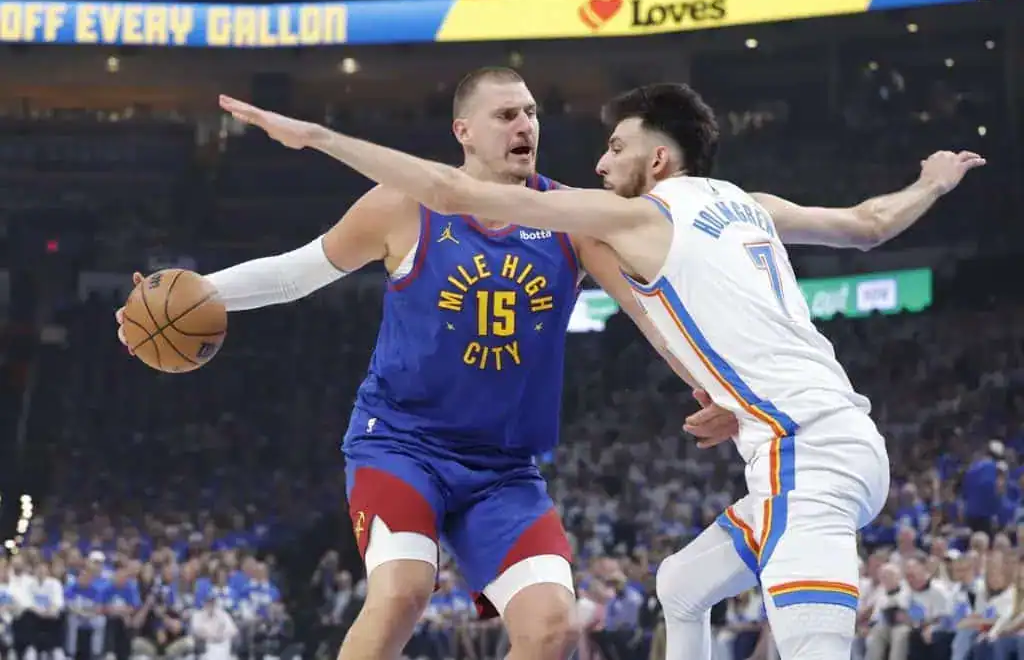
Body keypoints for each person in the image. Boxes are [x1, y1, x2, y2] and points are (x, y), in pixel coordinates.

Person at [216, 82, 985, 659]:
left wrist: (315, 134)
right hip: (410, 443)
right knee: (678, 588)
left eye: (613, 147)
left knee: (788, 644)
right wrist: (936, 182)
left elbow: (458, 193)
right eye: (508, 114)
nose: (593, 157)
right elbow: (865, 225)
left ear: (656, 157)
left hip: (793, 449)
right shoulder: (744, 203)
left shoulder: (622, 218)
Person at [117, 68, 733, 660]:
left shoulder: (572, 220)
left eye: (532, 112)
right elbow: (295, 274)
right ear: (464, 131)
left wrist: (710, 387)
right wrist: (196, 293)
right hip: (402, 446)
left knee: (552, 628)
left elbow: (646, 312)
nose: (526, 125)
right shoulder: (405, 205)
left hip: (502, 468)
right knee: (404, 592)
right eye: (506, 114)